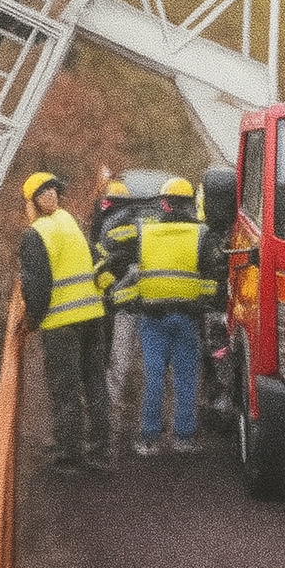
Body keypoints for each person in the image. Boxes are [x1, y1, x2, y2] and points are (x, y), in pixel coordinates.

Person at [115, 177, 224, 456]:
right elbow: (213, 277)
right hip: (187, 318)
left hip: (152, 318)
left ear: (163, 203)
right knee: (186, 379)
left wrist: (128, 299)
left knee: (153, 378)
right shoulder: (202, 234)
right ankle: (183, 439)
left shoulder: (145, 231)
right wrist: (203, 302)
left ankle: (149, 440)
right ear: (190, 204)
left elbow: (117, 252)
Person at [18, 172, 114, 473]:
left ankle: (69, 455)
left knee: (65, 388)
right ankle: (100, 450)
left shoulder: (36, 234)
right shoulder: (70, 221)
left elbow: (37, 286)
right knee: (95, 382)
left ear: (30, 204)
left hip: (61, 323)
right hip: (92, 315)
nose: (50, 196)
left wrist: (31, 320)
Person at [93, 179, 143, 433]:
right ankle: (125, 404)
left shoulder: (111, 224)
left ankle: (112, 407)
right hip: (135, 301)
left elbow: (107, 262)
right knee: (129, 356)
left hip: (118, 302)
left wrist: (106, 288)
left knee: (117, 355)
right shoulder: (137, 222)